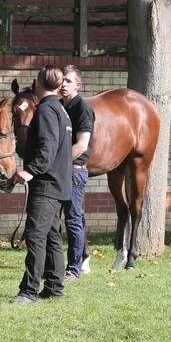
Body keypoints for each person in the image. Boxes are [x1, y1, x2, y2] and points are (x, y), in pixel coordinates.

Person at [10, 65, 73, 304]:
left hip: (46, 185)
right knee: (52, 237)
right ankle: (55, 287)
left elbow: (47, 148)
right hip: (59, 184)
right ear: (58, 86)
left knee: (36, 236)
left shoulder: (46, 110)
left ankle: (29, 291)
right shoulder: (61, 110)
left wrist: (30, 171)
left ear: (36, 84)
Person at [60, 65, 96, 281]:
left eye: (69, 81)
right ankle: (54, 267)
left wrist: (55, 163)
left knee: (73, 220)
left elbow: (82, 146)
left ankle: (74, 269)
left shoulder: (82, 108)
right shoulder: (59, 107)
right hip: (61, 173)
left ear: (78, 85)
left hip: (74, 173)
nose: (64, 84)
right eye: (62, 80)